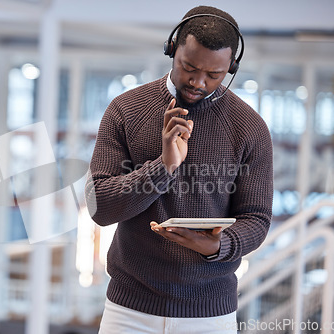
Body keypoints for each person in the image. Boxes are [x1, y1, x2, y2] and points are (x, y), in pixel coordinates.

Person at [85, 5, 273, 334]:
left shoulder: (249, 128)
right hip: (128, 311)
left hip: (210, 316)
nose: (198, 82)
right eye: (189, 67)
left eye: (214, 75)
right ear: (172, 49)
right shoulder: (126, 110)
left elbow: (256, 218)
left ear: (231, 68)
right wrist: (164, 166)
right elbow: (100, 206)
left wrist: (218, 247)